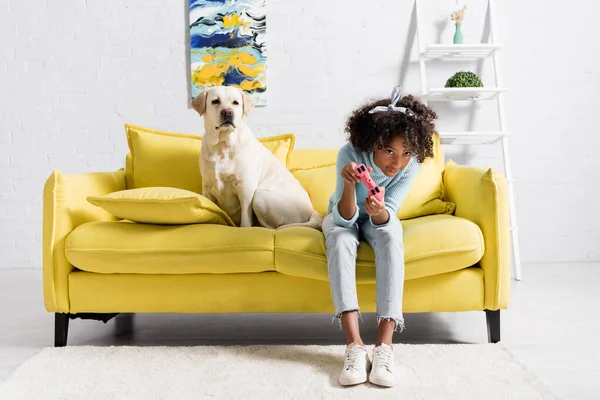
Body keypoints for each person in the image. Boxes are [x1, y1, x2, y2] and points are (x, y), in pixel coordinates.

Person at [323, 86, 437, 387]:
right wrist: (349, 185)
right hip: (342, 215)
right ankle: (354, 347)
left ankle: (384, 347)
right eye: (389, 151)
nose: (396, 162)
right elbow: (343, 217)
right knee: (339, 239)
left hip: (380, 216)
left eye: (406, 153)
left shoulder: (410, 166)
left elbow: (390, 213)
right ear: (374, 141)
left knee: (390, 236)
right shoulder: (349, 154)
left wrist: (377, 212)